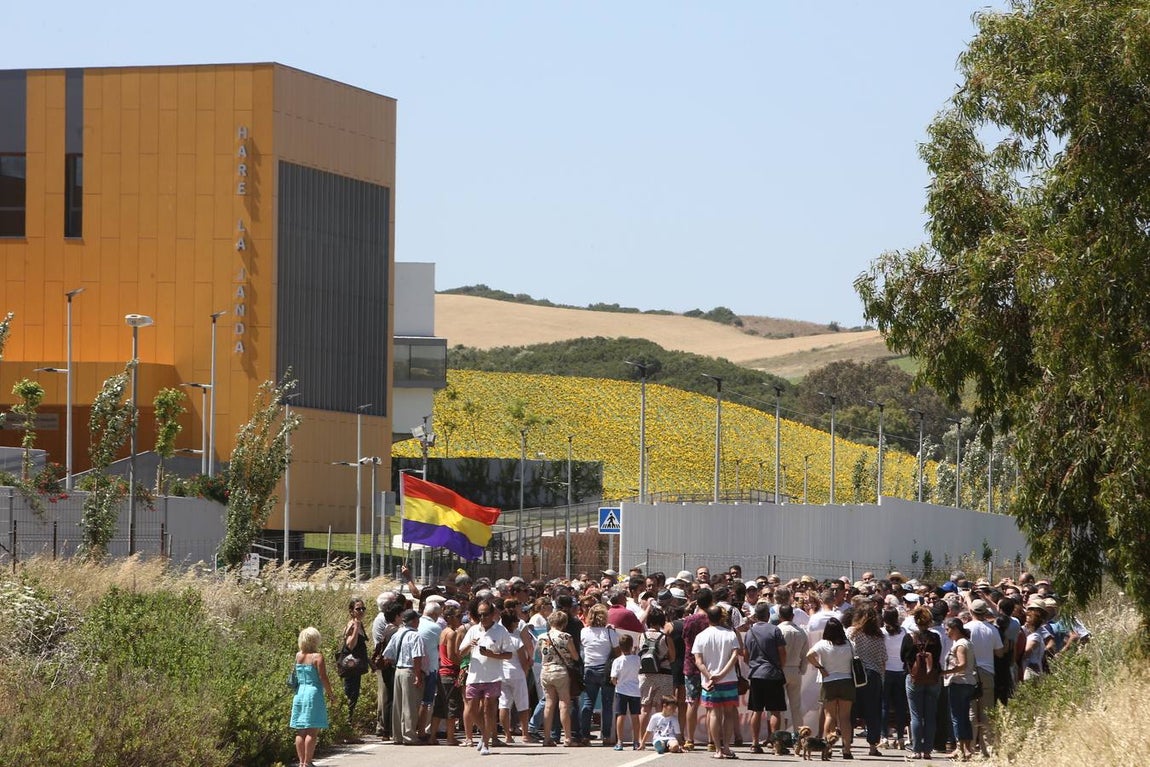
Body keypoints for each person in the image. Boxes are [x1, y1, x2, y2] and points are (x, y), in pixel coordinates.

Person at [460, 598, 515, 755]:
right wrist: (469, 645)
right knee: (471, 710)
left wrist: (492, 654)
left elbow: (509, 654)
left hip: (493, 677)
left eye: (485, 614)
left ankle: (485, 743)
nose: (482, 618)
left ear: (492, 614)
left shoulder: (501, 631)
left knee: (488, 709)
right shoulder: (473, 630)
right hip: (474, 676)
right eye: (480, 615)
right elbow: (461, 652)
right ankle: (485, 733)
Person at [693, 605, 742, 760]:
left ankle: (718, 749)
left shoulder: (701, 636)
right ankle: (726, 746)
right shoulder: (730, 634)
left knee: (714, 714)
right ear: (722, 617)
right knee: (729, 714)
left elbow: (698, 661)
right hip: (728, 679)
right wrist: (722, 674)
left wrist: (710, 676)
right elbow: (735, 656)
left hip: (709, 682)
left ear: (708, 618)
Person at [806, 616, 856, 760]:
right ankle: (847, 749)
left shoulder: (823, 644)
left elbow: (809, 655)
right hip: (847, 681)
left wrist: (820, 667)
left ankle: (828, 748)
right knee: (845, 717)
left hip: (829, 681)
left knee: (829, 716)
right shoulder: (849, 644)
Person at [744, 601, 787, 754]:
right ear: (768, 615)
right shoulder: (775, 630)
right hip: (773, 674)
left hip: (756, 674)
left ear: (756, 615)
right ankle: (776, 745)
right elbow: (782, 652)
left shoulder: (750, 632)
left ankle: (755, 743)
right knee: (775, 711)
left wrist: (754, 664)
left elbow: (745, 656)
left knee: (756, 710)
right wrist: (780, 666)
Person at [901, 605, 943, 760]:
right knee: (930, 715)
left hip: (914, 678)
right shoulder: (935, 638)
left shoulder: (909, 638)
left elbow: (903, 657)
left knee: (916, 715)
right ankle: (927, 750)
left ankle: (916, 750)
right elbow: (937, 656)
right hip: (932, 678)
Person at [291, 626, 336, 767]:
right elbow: (323, 677)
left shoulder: (298, 656)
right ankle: (308, 761)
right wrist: (331, 694)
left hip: (300, 693)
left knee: (300, 730)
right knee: (312, 730)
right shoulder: (317, 657)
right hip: (313, 693)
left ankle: (301, 762)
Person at [846, 605, 887, 756]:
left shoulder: (852, 632)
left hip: (856, 674)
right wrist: (882, 678)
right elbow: (883, 658)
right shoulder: (879, 635)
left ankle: (847, 743)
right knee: (873, 712)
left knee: (850, 710)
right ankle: (872, 746)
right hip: (874, 675)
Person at [381, 608, 425, 745]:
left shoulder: (398, 633)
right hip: (409, 671)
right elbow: (417, 657)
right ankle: (409, 736)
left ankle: (398, 736)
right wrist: (418, 675)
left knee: (398, 705)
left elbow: (387, 655)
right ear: (414, 621)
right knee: (410, 705)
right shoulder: (415, 636)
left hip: (398, 671)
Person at [581, 603, 621, 745]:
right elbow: (618, 652)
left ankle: (585, 735)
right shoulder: (610, 633)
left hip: (589, 669)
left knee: (588, 702)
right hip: (606, 670)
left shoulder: (584, 632)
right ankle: (606, 736)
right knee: (607, 704)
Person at [539, 609, 580, 747]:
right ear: (564, 623)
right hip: (560, 671)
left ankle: (547, 738)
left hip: (545, 671)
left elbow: (540, 654)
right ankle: (567, 738)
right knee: (564, 704)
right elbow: (575, 656)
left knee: (549, 704)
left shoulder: (542, 637)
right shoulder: (566, 636)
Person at [941, 617, 977, 761]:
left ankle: (960, 748)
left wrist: (945, 672)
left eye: (948, 630)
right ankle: (966, 749)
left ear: (955, 629)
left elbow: (962, 664)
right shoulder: (967, 642)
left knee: (957, 717)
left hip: (959, 683)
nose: (946, 633)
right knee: (964, 717)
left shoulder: (960, 644)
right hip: (968, 683)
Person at [638, 606, 677, 740]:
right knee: (661, 708)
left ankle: (640, 739)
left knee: (645, 708)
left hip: (645, 675)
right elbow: (672, 658)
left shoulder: (641, 636)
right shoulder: (665, 638)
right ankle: (660, 737)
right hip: (664, 674)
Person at [498, 607, 532, 745]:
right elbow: (523, 660)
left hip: (502, 673)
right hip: (517, 672)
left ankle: (507, 735)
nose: (518, 622)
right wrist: (526, 671)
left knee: (504, 704)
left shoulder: (499, 637)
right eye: (516, 620)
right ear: (512, 623)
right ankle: (525, 734)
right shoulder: (516, 639)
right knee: (522, 704)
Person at [775, 604, 808, 735]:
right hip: (795, 669)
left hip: (781, 669)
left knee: (780, 706)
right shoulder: (801, 632)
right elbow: (805, 654)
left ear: (779, 616)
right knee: (796, 706)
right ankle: (799, 735)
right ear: (793, 616)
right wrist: (802, 669)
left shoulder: (778, 630)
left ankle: (782, 736)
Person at [435, 603, 464, 746]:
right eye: (458, 616)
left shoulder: (443, 632)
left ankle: (432, 736)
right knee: (452, 706)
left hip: (442, 671)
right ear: (450, 618)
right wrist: (462, 664)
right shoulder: (451, 633)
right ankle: (450, 737)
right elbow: (452, 655)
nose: (460, 619)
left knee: (440, 706)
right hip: (450, 672)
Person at [880, 606, 909, 750]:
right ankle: (900, 737)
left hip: (886, 671)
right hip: (901, 670)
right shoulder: (903, 631)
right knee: (900, 706)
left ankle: (884, 736)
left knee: (884, 705)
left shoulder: (882, 632)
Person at [341, 597, 371, 722]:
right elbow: (350, 645)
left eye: (363, 608)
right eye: (358, 609)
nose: (361, 611)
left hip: (356, 666)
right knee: (350, 694)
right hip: (351, 666)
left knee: (354, 694)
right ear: (351, 611)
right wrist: (356, 628)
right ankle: (346, 721)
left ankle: (349, 721)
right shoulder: (353, 624)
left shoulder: (359, 623)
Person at [611, 634, 643, 749]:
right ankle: (636, 741)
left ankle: (620, 742)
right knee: (635, 716)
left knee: (621, 715)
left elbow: (613, 678)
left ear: (620, 646)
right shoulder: (637, 659)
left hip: (621, 690)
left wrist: (617, 683)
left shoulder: (617, 661)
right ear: (631, 646)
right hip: (635, 690)